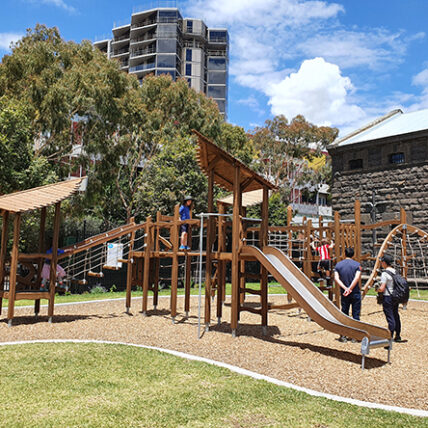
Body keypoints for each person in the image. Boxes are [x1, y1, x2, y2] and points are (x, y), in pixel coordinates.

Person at [334, 247, 362, 342]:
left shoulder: (338, 265)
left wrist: (345, 288)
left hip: (344, 293)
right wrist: (350, 288)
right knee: (356, 314)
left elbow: (336, 278)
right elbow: (357, 278)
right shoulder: (357, 265)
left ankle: (343, 335)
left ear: (344, 254)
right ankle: (355, 336)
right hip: (355, 292)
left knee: (344, 313)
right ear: (353, 255)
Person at [378, 253, 405, 343]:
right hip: (395, 296)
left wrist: (377, 289)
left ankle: (390, 336)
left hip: (387, 296)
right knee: (395, 315)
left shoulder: (385, 273)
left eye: (382, 262)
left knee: (390, 317)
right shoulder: (395, 271)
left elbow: (382, 288)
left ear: (384, 263)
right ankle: (398, 335)